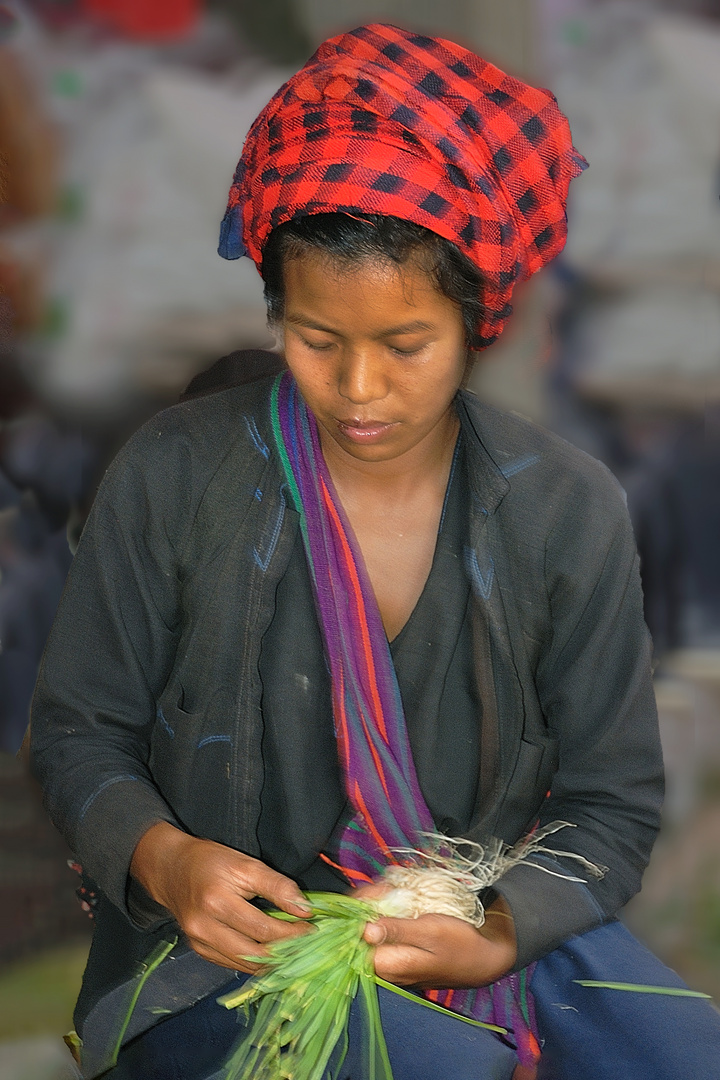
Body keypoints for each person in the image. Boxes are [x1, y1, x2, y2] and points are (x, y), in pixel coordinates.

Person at [29, 23, 720, 1080]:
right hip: (214, 957)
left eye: (406, 346)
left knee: (685, 1056)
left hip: (484, 917)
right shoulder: (173, 476)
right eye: (316, 340)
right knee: (442, 1069)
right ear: (274, 315)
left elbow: (611, 803)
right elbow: (80, 730)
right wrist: (164, 860)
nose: (359, 392)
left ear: (477, 321)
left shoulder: (566, 509)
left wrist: (497, 929)